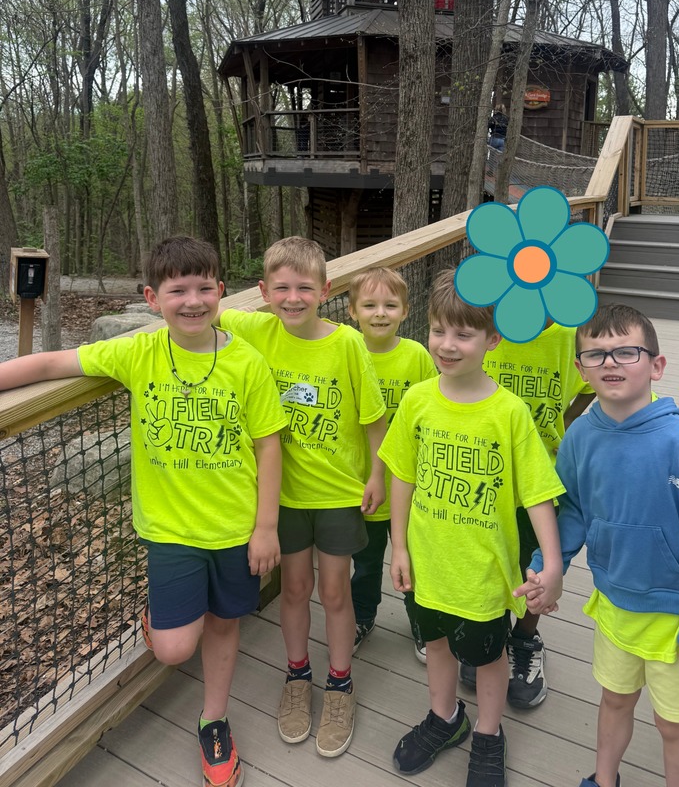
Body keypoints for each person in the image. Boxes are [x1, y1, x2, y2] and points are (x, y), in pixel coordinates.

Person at [0, 236, 287, 787]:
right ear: (154, 298)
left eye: (205, 287)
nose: (193, 300)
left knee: (226, 624)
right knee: (177, 648)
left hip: (236, 526)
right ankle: (163, 620)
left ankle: (215, 718)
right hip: (171, 528)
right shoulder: (139, 352)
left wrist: (265, 527)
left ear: (221, 292)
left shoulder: (246, 362)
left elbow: (268, 444)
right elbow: (55, 361)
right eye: (178, 290)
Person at [520, 304, 679, 787]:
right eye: (595, 355)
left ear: (656, 365)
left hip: (676, 619)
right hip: (614, 603)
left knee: (672, 724)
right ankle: (604, 777)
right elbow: (571, 509)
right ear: (579, 369)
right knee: (614, 700)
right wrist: (546, 566)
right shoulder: (580, 437)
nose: (610, 363)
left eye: (626, 352)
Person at [379, 270, 564, 787]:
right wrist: (399, 546)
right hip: (426, 563)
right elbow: (402, 476)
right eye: (438, 330)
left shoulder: (508, 413)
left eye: (463, 334)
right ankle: (445, 719)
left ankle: (487, 733)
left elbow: (537, 493)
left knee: (488, 657)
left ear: (492, 338)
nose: (447, 344)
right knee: (435, 646)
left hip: (483, 571)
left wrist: (551, 563)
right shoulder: (417, 401)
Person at [218, 237, 387, 758]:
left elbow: (375, 421)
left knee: (334, 592)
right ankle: (297, 675)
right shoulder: (253, 328)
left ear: (326, 291)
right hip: (281, 497)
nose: (293, 299)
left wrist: (377, 475)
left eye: (305, 288)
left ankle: (340, 684)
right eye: (282, 288)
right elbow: (200, 313)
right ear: (263, 292)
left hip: (337, 492)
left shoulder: (348, 345)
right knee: (293, 588)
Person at [460, 321, 595, 707]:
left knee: (534, 564)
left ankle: (524, 637)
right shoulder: (487, 327)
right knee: (485, 558)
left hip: (541, 478)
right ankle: (492, 632)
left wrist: (565, 422)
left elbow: (588, 385)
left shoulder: (570, 336)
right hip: (485, 473)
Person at [346, 267, 436, 660]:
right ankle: (362, 616)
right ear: (352, 312)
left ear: (405, 311)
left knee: (413, 561)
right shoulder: (347, 352)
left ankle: (421, 623)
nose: (379, 313)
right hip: (360, 482)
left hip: (409, 485)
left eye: (390, 305)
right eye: (369, 305)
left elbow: (435, 405)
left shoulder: (416, 356)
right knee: (365, 564)